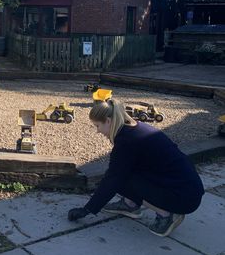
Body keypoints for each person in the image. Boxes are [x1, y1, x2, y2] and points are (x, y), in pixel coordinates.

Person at [67, 99, 204, 237]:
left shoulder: (126, 142)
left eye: (97, 126)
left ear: (108, 121)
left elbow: (113, 179)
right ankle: (130, 204)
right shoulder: (136, 128)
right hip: (189, 189)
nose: (98, 131)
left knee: (118, 180)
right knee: (123, 173)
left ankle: (167, 215)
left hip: (184, 198)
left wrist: (87, 209)